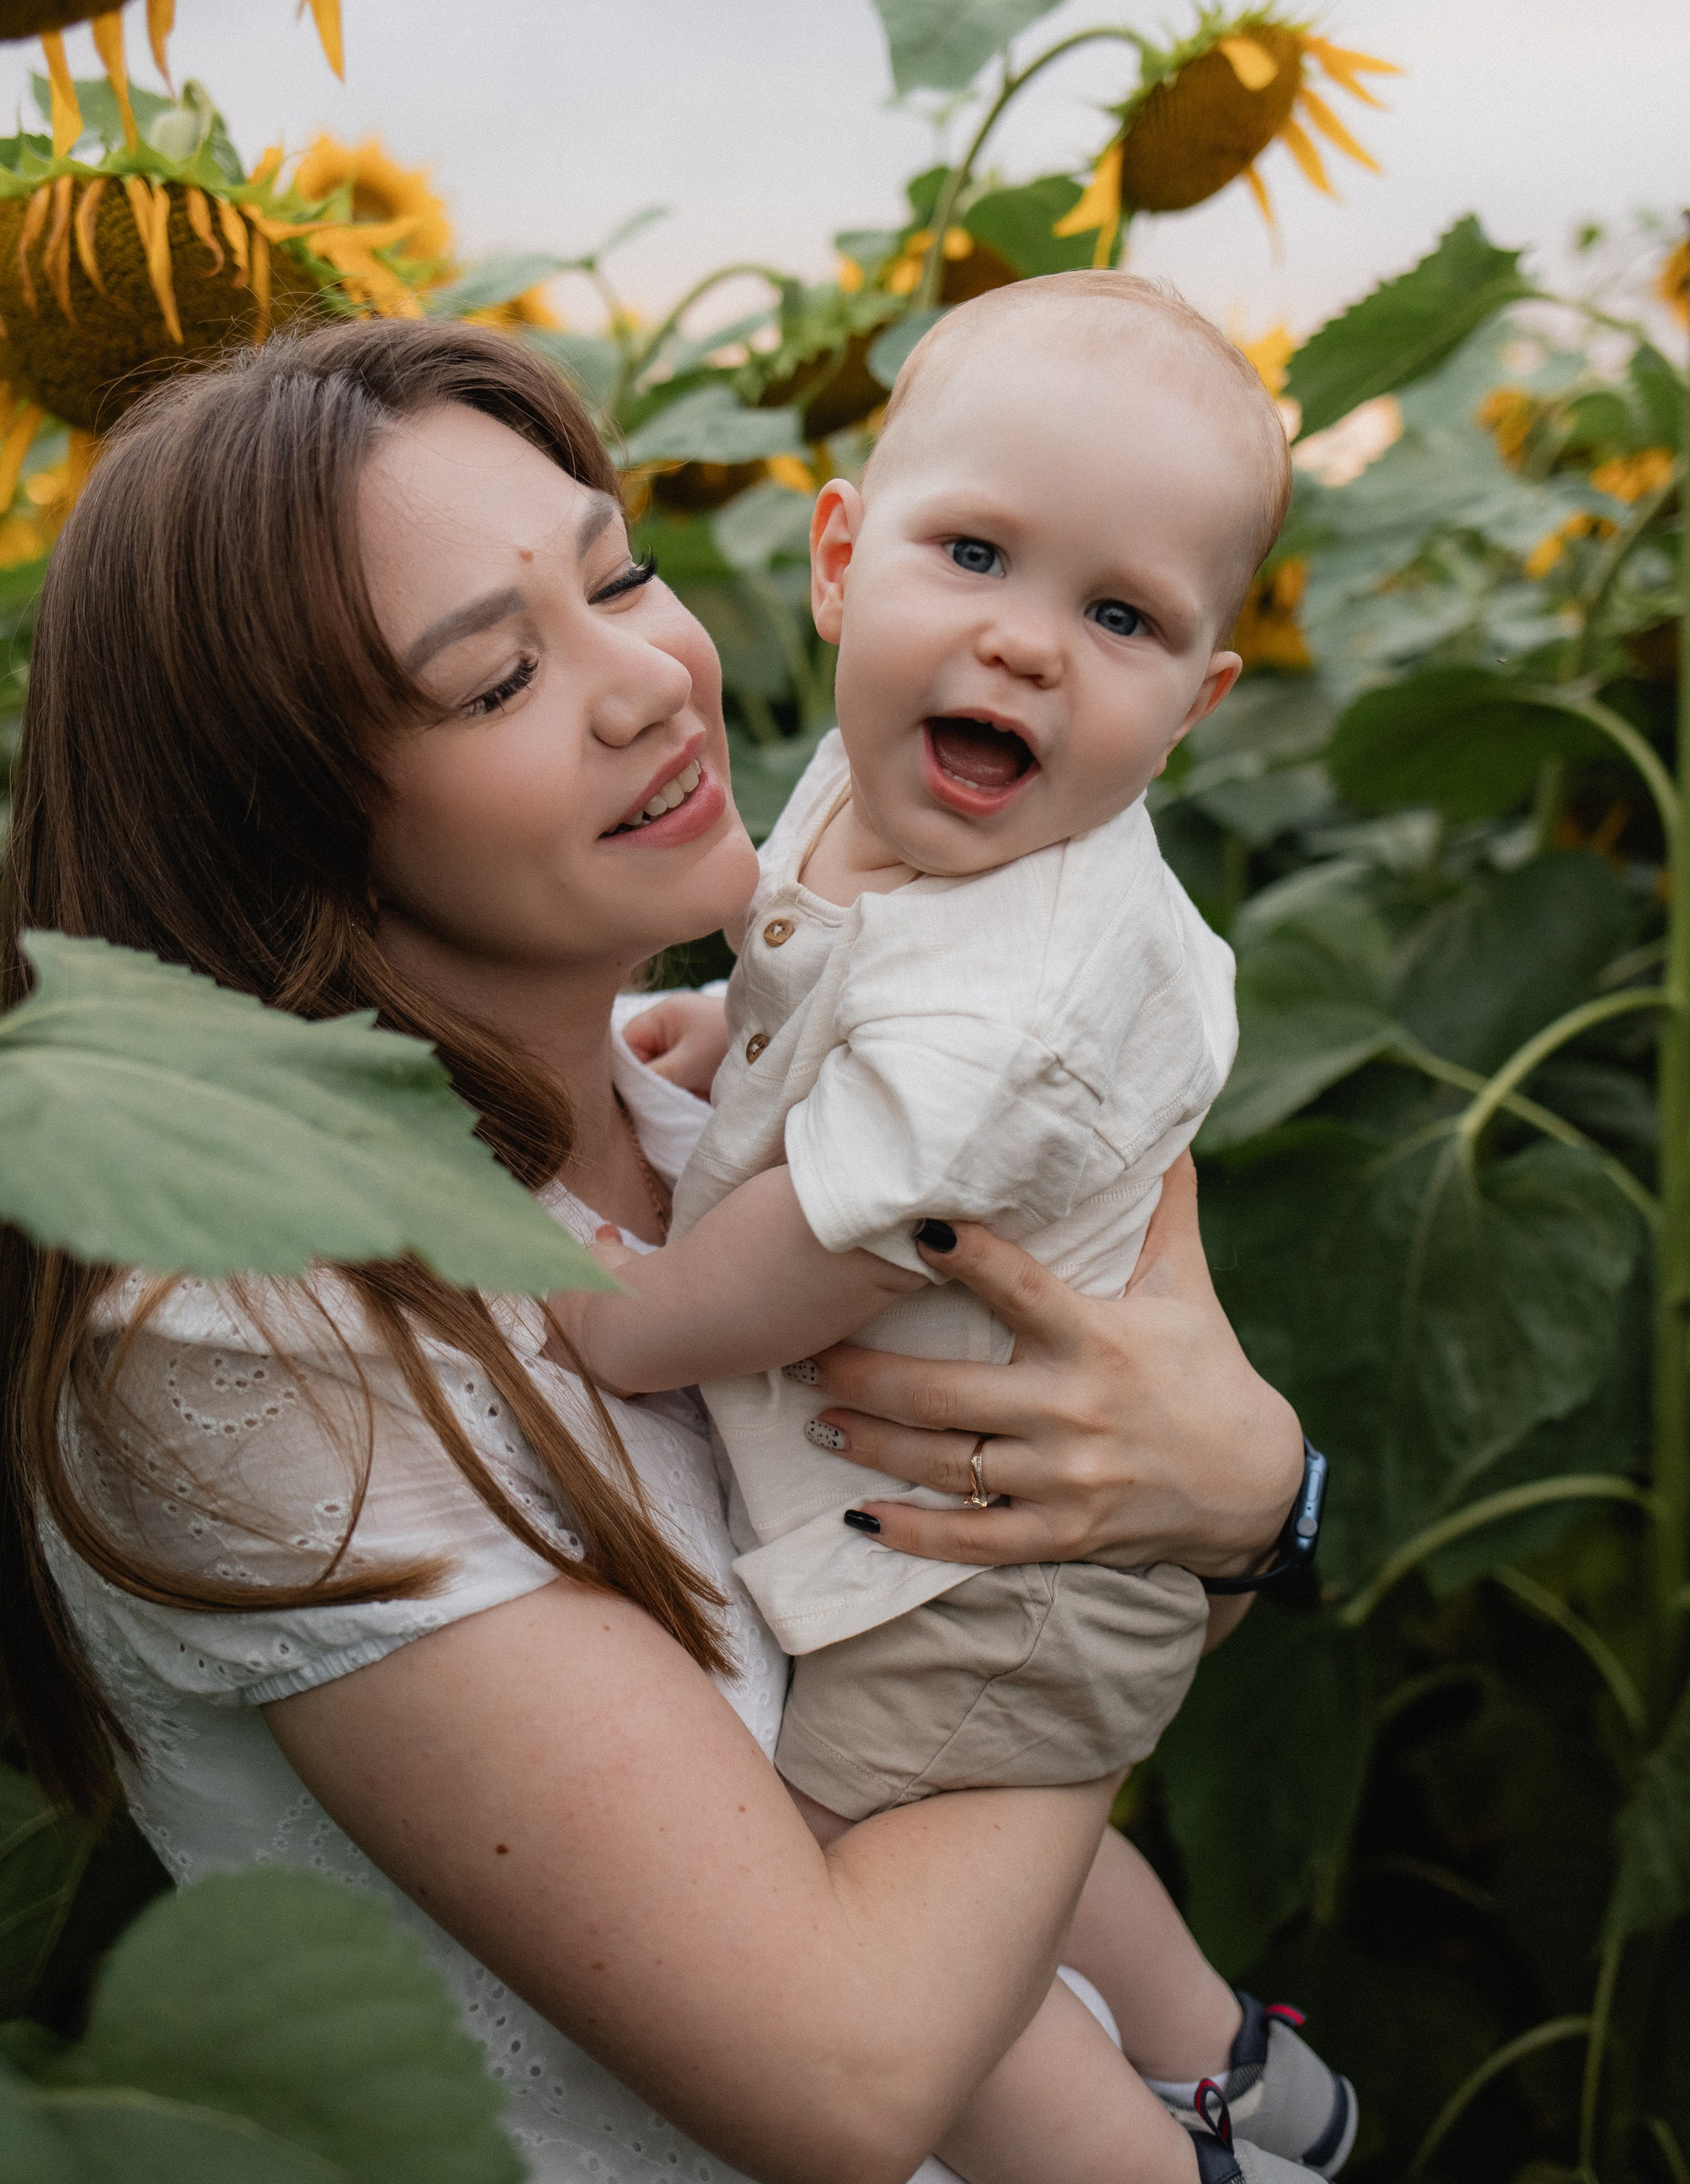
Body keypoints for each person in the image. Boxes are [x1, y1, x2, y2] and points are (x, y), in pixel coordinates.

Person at [0, 321, 1305, 2184]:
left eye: (619, 578)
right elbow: (847, 2082)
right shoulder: (252, 1331)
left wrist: (1250, 1501)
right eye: (496, 678)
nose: (648, 683)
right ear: (274, 812)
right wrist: (1188, 1525)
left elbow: (1080, 1525)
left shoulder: (725, 1112)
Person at [558, 273, 1354, 2183]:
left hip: (1005, 1571)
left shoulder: (1035, 981)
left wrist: (633, 1323)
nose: (1026, 645)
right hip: (998, 1525)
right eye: (977, 554)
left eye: (1122, 618)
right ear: (841, 561)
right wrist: (722, 1028)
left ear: (1201, 700)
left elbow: (839, 1234)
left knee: (866, 1893)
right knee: (997, 1827)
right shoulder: (883, 778)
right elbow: (825, 980)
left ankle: (1148, 2160)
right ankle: (1225, 2060)